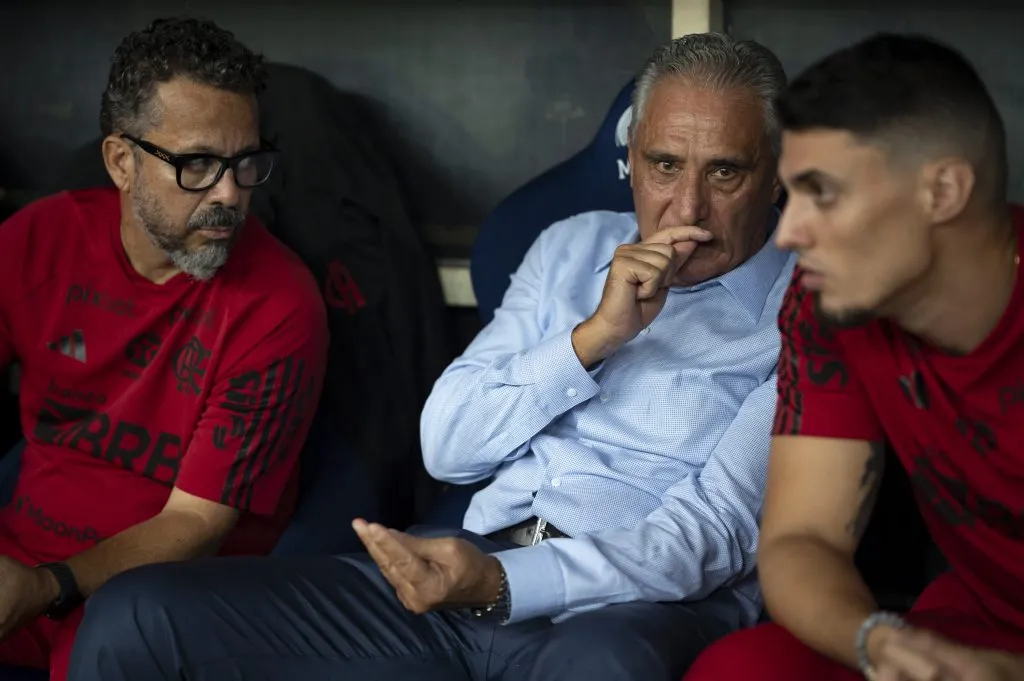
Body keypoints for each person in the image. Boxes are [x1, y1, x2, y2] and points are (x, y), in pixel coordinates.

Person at [67, 32, 792, 681]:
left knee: (599, 665)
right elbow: (447, 447)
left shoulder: (804, 317)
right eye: (664, 165)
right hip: (458, 567)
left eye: (724, 173)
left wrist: (507, 583)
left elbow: (708, 538)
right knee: (138, 612)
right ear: (629, 162)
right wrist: (593, 338)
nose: (687, 208)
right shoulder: (570, 246)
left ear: (777, 175)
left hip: (628, 610)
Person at [684, 33, 1024, 681]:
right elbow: (800, 537)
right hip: (974, 620)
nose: (788, 232)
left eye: (823, 193)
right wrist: (880, 643)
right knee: (743, 668)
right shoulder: (832, 306)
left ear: (943, 190)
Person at [0, 17, 328, 681]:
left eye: (246, 163)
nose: (232, 195)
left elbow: (197, 521)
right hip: (23, 558)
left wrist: (47, 585)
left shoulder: (279, 303)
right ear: (122, 162)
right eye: (198, 164)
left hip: (162, 594)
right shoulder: (38, 239)